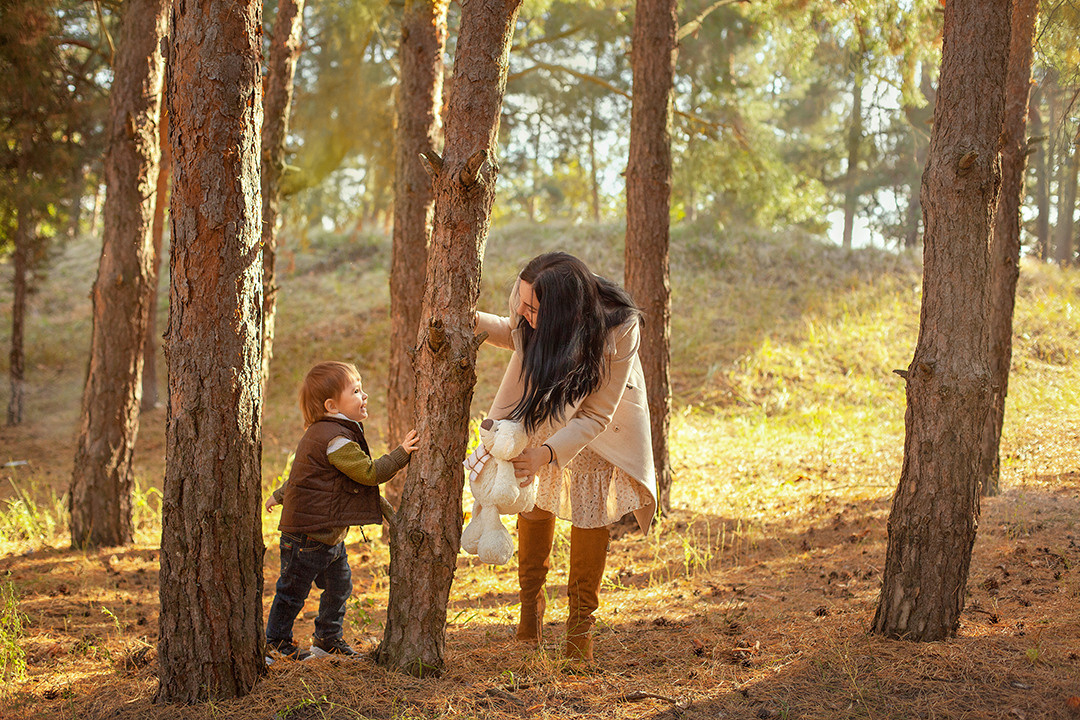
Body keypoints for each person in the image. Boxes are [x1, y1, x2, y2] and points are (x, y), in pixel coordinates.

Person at [470, 252, 657, 661]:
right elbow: (514, 333)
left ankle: (579, 632)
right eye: (520, 301)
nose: (522, 312)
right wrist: (467, 318)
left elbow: (597, 415)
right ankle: (529, 610)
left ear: (561, 311)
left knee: (590, 512)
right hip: (548, 409)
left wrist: (548, 455)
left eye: (532, 308)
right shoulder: (532, 305)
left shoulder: (619, 325)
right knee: (533, 502)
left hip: (598, 428)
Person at [264, 361, 420, 660]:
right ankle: (275, 643)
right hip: (308, 536)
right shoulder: (335, 439)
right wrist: (402, 454)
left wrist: (279, 494)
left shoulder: (330, 432)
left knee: (339, 587)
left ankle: (327, 639)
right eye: (357, 390)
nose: (365, 396)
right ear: (332, 404)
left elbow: (305, 475)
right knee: (292, 591)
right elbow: (369, 474)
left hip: (329, 535)